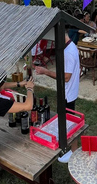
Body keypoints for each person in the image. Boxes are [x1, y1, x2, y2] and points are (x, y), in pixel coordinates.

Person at [35, 33, 80, 163]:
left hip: (68, 93)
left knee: (70, 122)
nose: (54, 45)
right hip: (69, 91)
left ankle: (73, 151)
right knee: (68, 120)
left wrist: (46, 72)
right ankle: (71, 148)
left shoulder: (69, 53)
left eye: (54, 42)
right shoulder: (70, 46)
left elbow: (66, 77)